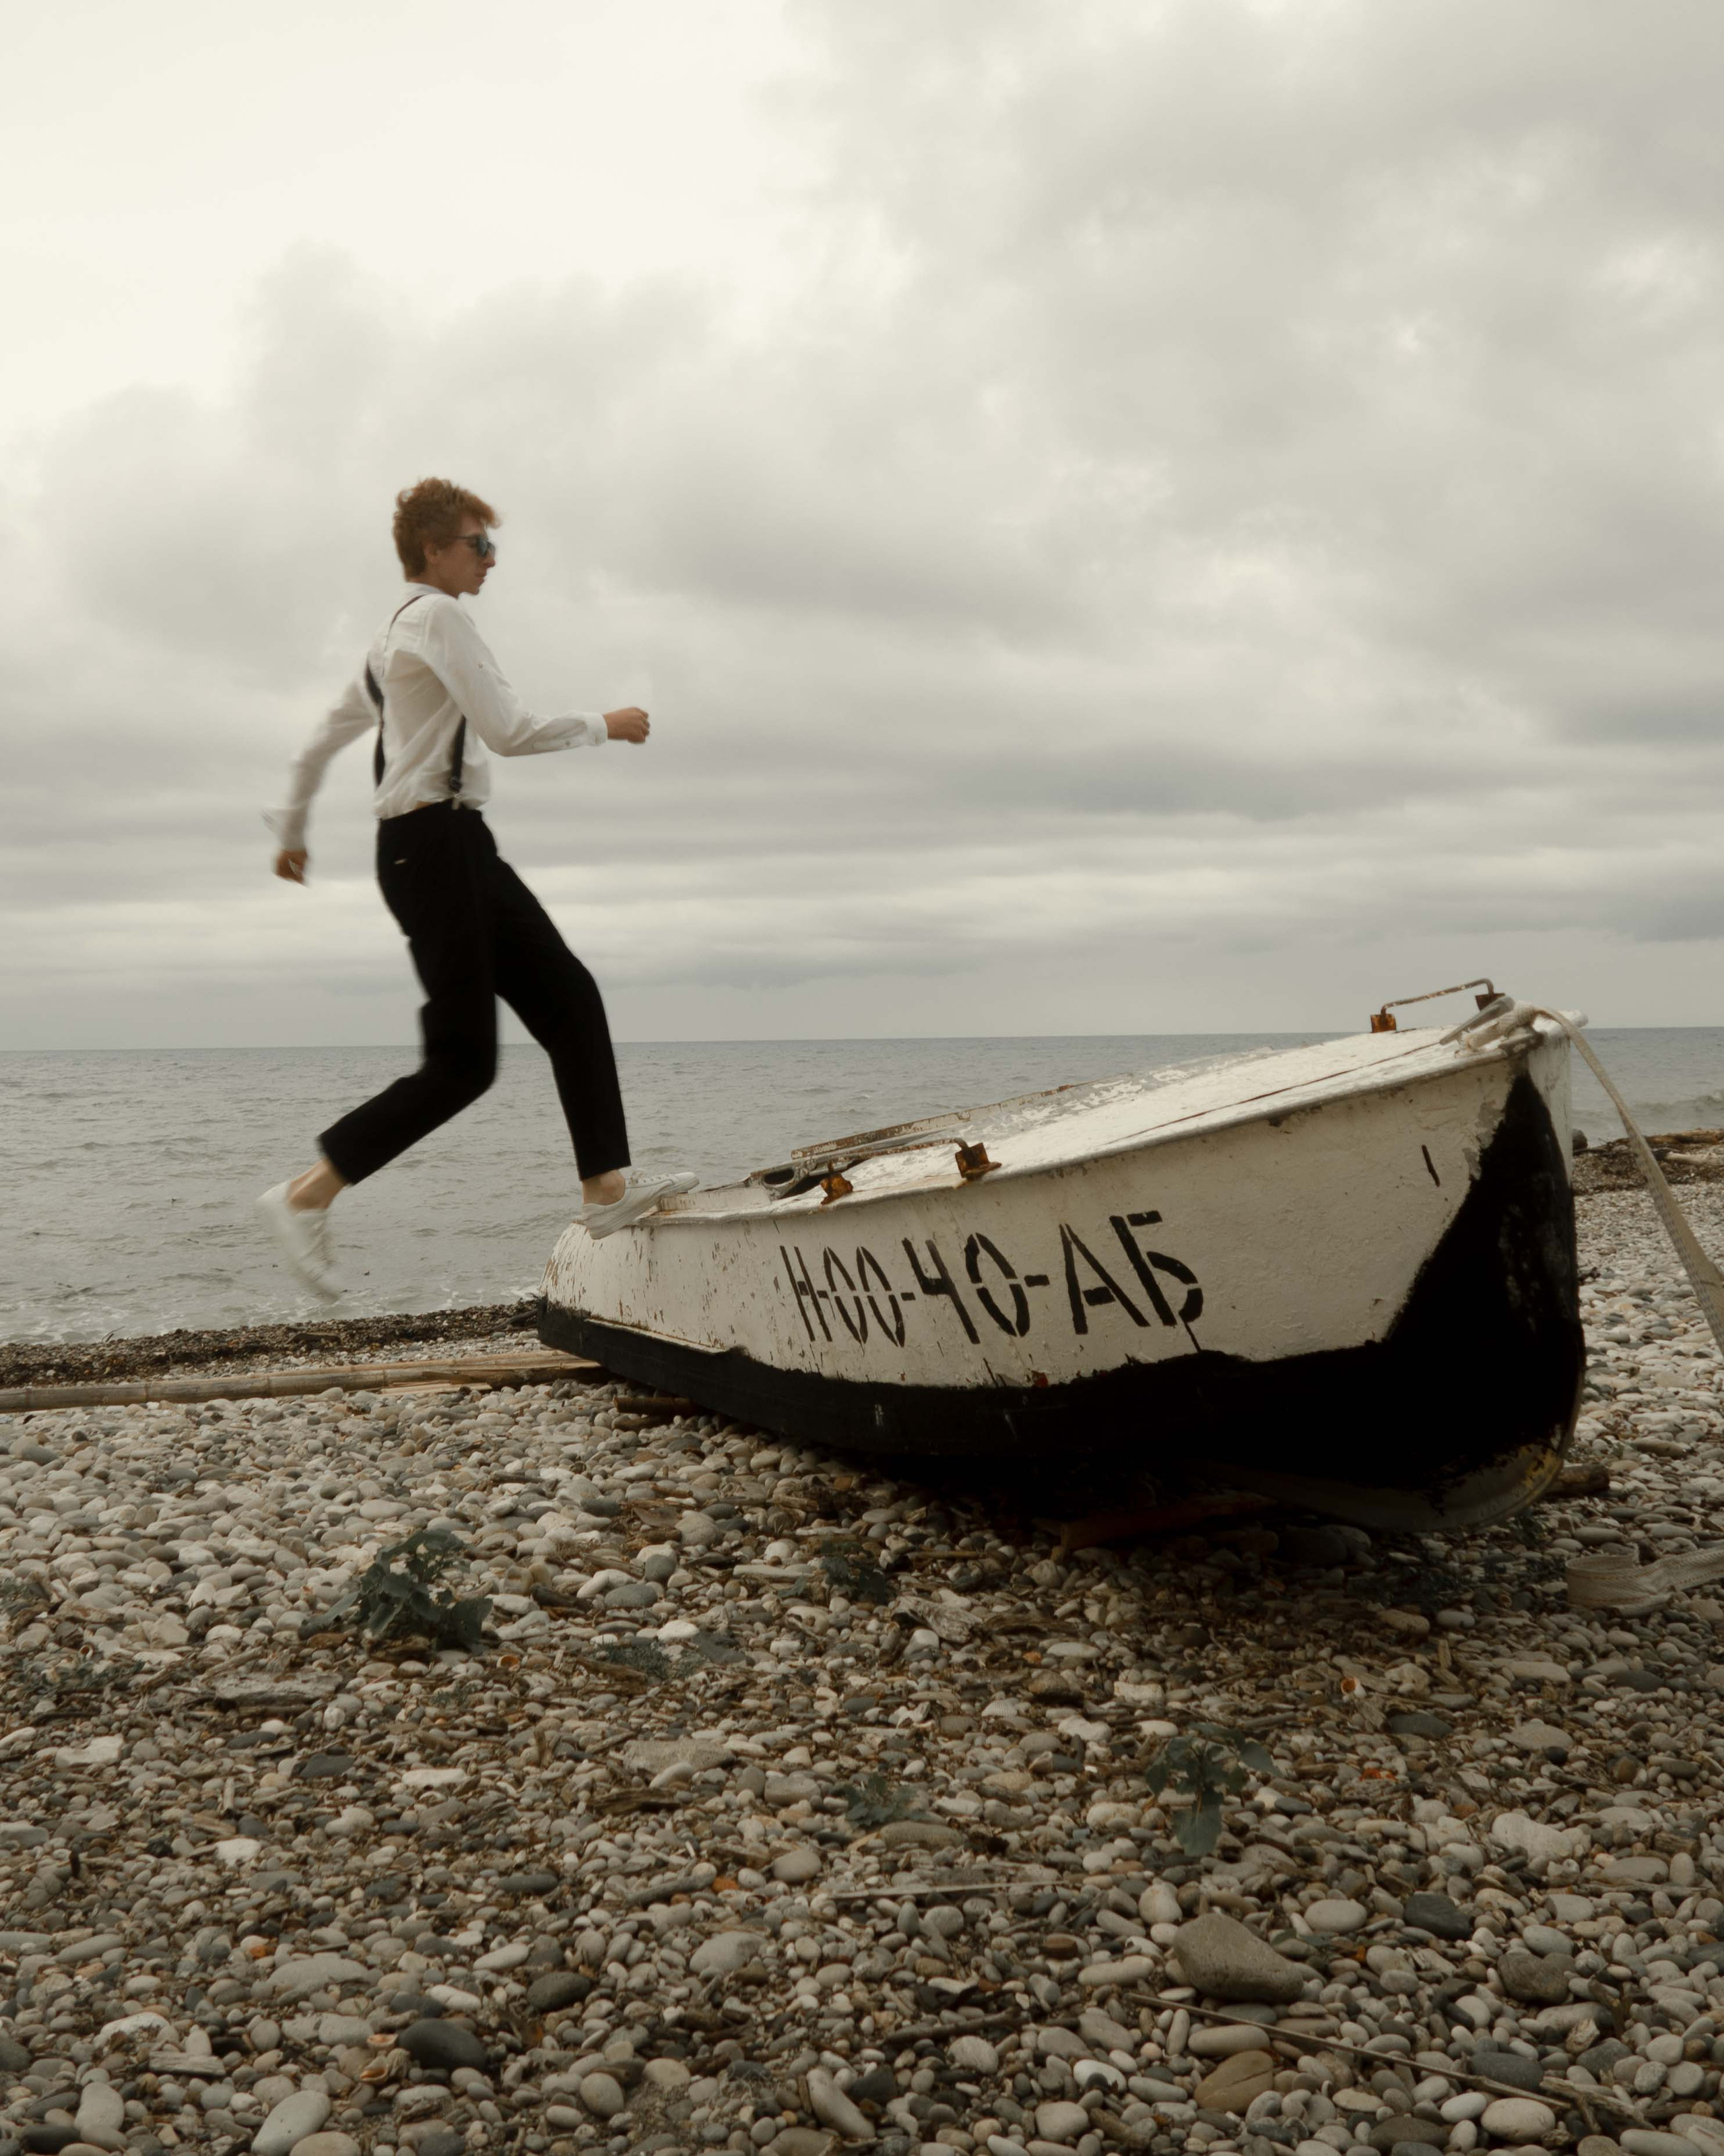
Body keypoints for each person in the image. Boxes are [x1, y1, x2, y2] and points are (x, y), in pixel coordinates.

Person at [257, 477, 693, 1301]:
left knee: (569, 999)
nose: (491, 559)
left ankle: (605, 1188)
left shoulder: (391, 641)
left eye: (492, 545)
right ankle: (307, 1193)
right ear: (434, 551)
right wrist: (606, 725)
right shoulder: (437, 618)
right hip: (433, 849)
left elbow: (317, 743)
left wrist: (292, 831)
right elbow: (507, 730)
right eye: (479, 544)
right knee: (461, 1064)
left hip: (449, 846)